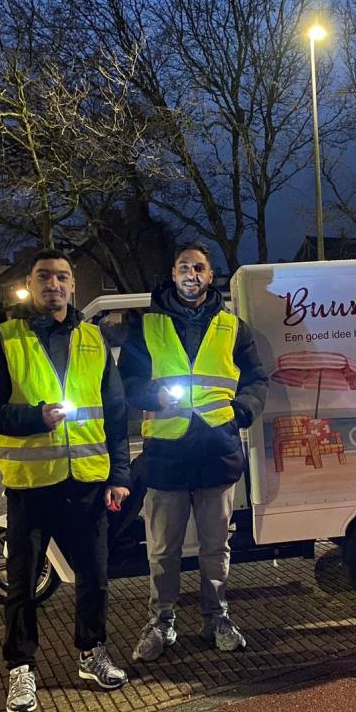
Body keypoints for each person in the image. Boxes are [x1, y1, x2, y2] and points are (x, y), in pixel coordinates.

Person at [0, 250, 131, 712]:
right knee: (23, 586)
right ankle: (22, 669)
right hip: (31, 485)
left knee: (95, 579)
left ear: (73, 286)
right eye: (44, 277)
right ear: (30, 286)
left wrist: (119, 475)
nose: (53, 284)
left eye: (62, 276)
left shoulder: (94, 340)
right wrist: (33, 418)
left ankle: (91, 653)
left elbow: (115, 416)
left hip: (87, 483)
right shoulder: (4, 339)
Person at [119, 242, 268, 661]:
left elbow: (257, 378)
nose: (191, 274)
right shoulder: (146, 327)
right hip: (165, 454)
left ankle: (216, 617)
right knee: (162, 549)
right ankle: (162, 622)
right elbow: (127, 383)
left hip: (215, 451)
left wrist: (243, 411)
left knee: (215, 547)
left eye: (199, 267)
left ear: (209, 276)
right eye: (183, 266)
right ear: (172, 272)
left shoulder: (232, 327)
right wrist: (153, 395)